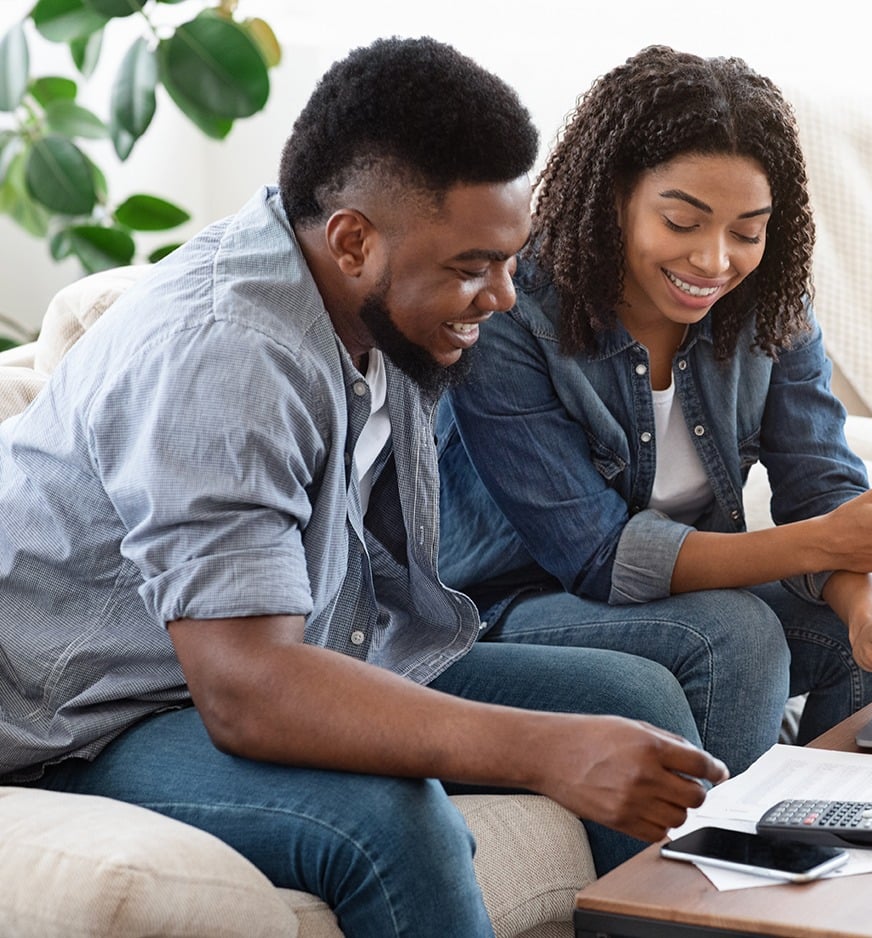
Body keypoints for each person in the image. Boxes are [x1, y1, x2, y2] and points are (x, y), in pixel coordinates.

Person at [0, 37, 726, 936]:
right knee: (398, 821)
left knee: (635, 700)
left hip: (290, 655)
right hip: (93, 718)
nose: (501, 296)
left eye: (509, 259)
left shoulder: (371, 309)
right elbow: (247, 686)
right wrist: (544, 751)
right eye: (471, 266)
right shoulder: (228, 355)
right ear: (352, 240)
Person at [436, 45, 872, 777]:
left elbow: (821, 484)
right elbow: (596, 556)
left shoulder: (768, 306)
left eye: (746, 232)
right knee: (737, 636)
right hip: (510, 606)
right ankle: (721, 878)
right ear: (616, 193)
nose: (715, 261)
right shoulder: (515, 310)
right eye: (683, 222)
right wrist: (827, 541)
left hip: (664, 598)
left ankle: (835, 849)